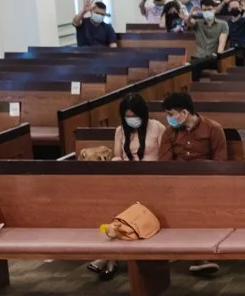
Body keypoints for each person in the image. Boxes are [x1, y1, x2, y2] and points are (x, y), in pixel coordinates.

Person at [86, 93, 165, 280]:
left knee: (127, 213)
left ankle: (109, 258)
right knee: (113, 205)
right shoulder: (120, 131)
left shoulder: (157, 127)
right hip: (128, 181)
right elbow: (117, 156)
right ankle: (110, 259)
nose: (131, 120)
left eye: (134, 116)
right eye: (127, 117)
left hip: (153, 183)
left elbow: (165, 157)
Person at [158, 91, 227, 276]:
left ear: (184, 113)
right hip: (177, 184)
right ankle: (190, 255)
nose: (168, 119)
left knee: (198, 206)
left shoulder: (213, 129)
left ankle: (200, 256)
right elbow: (164, 164)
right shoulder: (169, 133)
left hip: (207, 183)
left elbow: (220, 163)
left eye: (171, 114)